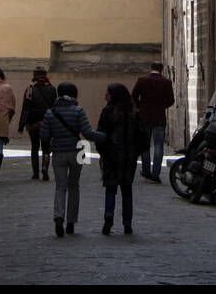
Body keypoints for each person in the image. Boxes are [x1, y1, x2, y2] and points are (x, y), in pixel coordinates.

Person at [40, 82, 105, 237]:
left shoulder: (50, 113)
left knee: (60, 186)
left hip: (58, 152)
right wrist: (104, 137)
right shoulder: (78, 111)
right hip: (78, 151)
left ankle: (58, 216)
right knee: (74, 186)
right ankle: (71, 222)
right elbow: (87, 133)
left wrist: (47, 152)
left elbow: (44, 136)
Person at [97, 83, 142, 235]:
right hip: (129, 157)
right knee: (127, 190)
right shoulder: (133, 112)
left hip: (112, 156)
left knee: (111, 189)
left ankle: (108, 218)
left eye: (107, 93)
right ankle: (127, 223)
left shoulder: (108, 111)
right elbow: (141, 136)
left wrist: (102, 152)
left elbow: (101, 134)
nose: (105, 96)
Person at [131, 62, 175, 181]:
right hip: (159, 118)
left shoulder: (142, 80)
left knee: (145, 145)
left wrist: (141, 106)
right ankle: (156, 173)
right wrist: (161, 106)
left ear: (150, 69)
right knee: (158, 145)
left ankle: (146, 170)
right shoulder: (166, 82)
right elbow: (171, 100)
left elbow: (133, 96)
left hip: (144, 117)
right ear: (161, 70)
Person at [18, 66, 56, 180]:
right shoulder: (52, 89)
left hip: (33, 122)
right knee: (46, 147)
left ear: (34, 75)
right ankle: (45, 168)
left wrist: (22, 124)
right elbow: (55, 107)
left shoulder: (30, 89)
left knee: (34, 147)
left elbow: (26, 108)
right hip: (47, 122)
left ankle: (35, 173)